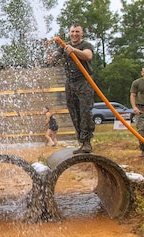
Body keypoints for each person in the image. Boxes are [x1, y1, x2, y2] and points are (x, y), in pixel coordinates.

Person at [48, 23, 95, 154]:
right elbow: (51, 61)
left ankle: (87, 142)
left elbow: (88, 56)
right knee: (74, 112)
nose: (74, 34)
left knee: (85, 111)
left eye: (77, 32)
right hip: (70, 83)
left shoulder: (85, 45)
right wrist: (47, 48)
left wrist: (74, 51)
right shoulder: (64, 46)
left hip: (84, 82)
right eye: (72, 31)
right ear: (69, 33)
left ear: (82, 33)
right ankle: (81, 141)